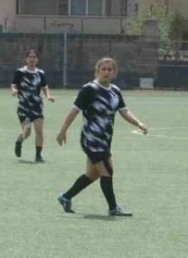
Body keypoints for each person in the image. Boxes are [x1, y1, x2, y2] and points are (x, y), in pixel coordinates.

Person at [56, 57, 148, 217]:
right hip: (91, 139)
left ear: (114, 72)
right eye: (103, 69)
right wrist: (62, 130)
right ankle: (113, 208)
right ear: (97, 70)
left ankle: (66, 197)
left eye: (109, 69)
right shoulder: (89, 89)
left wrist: (138, 123)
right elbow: (74, 111)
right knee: (107, 172)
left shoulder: (115, 91)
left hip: (105, 140)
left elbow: (124, 111)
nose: (106, 72)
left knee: (93, 174)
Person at [11, 49, 55, 162]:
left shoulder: (40, 73)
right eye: (30, 57)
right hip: (23, 106)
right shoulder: (20, 72)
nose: (32, 59)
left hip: (37, 106)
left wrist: (49, 96)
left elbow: (45, 87)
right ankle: (19, 141)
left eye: (34, 57)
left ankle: (38, 155)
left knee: (39, 130)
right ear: (26, 59)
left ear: (37, 59)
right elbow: (14, 84)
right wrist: (14, 90)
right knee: (27, 131)